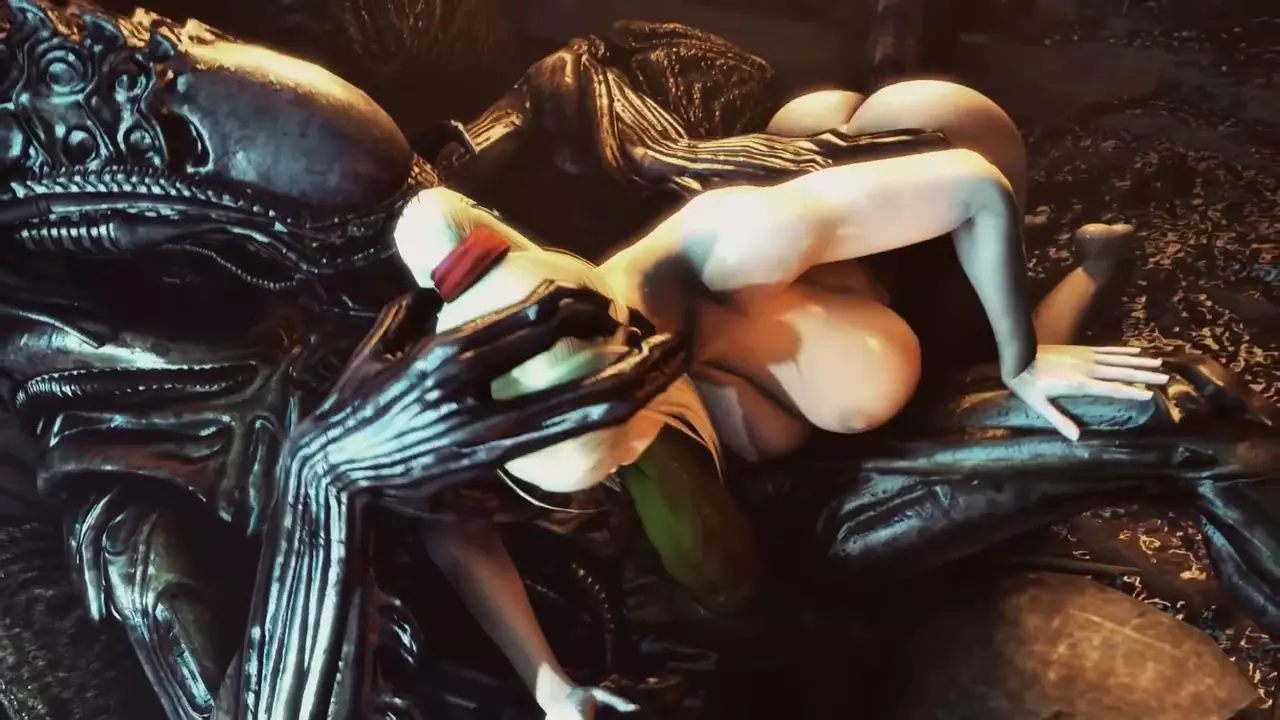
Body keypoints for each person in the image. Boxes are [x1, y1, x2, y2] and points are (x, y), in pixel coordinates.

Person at [393, 79, 1170, 720]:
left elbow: (974, 185)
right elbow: (458, 534)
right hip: (810, 196)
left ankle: (1089, 271)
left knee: (954, 383)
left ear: (628, 353)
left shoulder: (727, 252)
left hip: (915, 245)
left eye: (621, 435)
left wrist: (1021, 362)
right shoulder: (502, 378)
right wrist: (549, 685)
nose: (624, 461)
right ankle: (1070, 269)